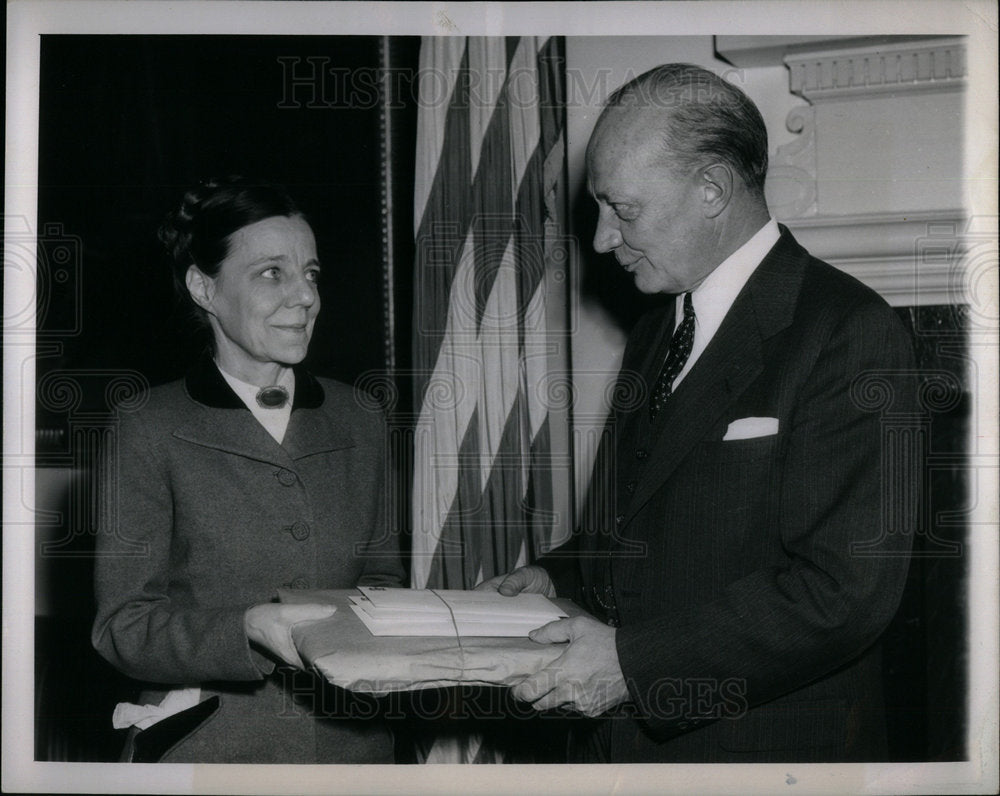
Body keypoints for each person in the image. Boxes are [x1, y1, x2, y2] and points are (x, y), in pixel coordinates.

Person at [478, 64, 918, 762]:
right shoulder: (660, 324)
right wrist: (561, 575)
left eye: (623, 209)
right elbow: (662, 517)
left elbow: (845, 590)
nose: (600, 240)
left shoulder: (847, 332)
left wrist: (631, 667)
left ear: (712, 190)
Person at [91, 177, 404, 763]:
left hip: (351, 751)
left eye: (311, 274)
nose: (305, 296)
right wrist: (246, 630)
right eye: (271, 273)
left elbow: (379, 582)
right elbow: (123, 627)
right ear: (203, 288)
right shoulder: (147, 425)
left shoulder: (361, 416)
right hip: (210, 748)